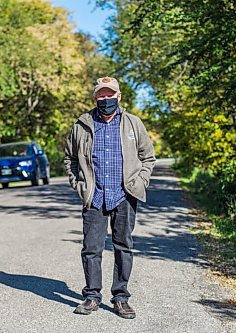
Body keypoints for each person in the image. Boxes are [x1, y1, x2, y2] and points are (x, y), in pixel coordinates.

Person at [64, 76, 156, 319]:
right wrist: (80, 184)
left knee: (123, 247)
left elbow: (148, 157)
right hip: (95, 196)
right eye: (101, 95)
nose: (106, 99)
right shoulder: (82, 125)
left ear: (119, 96)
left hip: (124, 196)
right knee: (91, 249)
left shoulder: (133, 124)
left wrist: (139, 182)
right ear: (95, 98)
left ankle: (121, 297)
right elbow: (70, 159)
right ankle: (92, 296)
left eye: (110, 94)